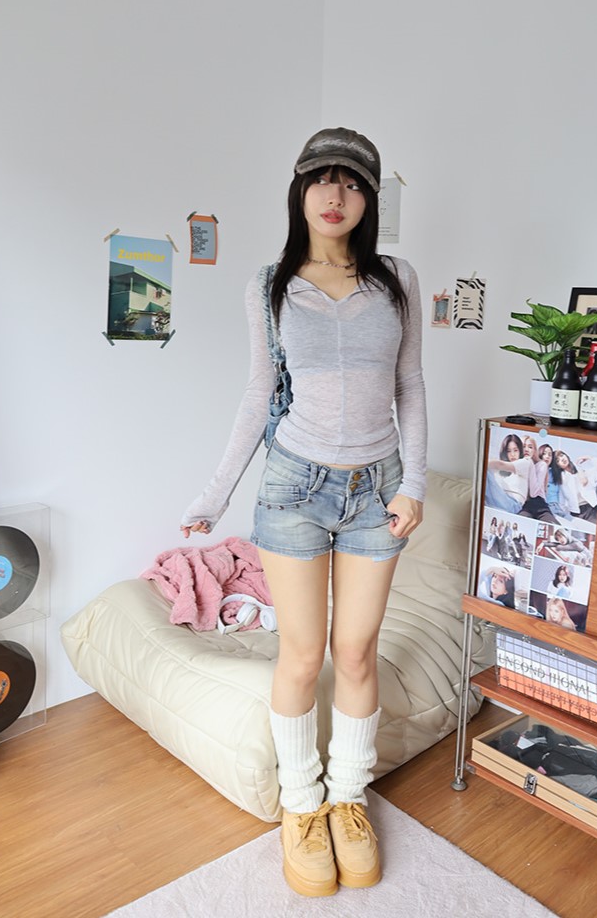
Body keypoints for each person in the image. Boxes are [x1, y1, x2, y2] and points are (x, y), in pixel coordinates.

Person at [179, 128, 427, 897]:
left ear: (369, 198)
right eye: (322, 179)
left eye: (351, 182)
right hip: (293, 486)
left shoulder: (398, 279)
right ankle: (301, 808)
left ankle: (348, 800)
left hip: (376, 490)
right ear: (299, 191)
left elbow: (410, 385)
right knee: (301, 654)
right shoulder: (270, 285)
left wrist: (414, 484)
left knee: (355, 653)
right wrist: (215, 493)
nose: (335, 195)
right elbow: (259, 395)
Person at [485, 433, 531, 514]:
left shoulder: (525, 462)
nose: (512, 454)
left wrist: (482, 463)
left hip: (513, 505)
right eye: (508, 451)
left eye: (515, 450)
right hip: (498, 501)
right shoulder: (500, 472)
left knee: (486, 470)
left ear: (520, 451)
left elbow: (500, 464)